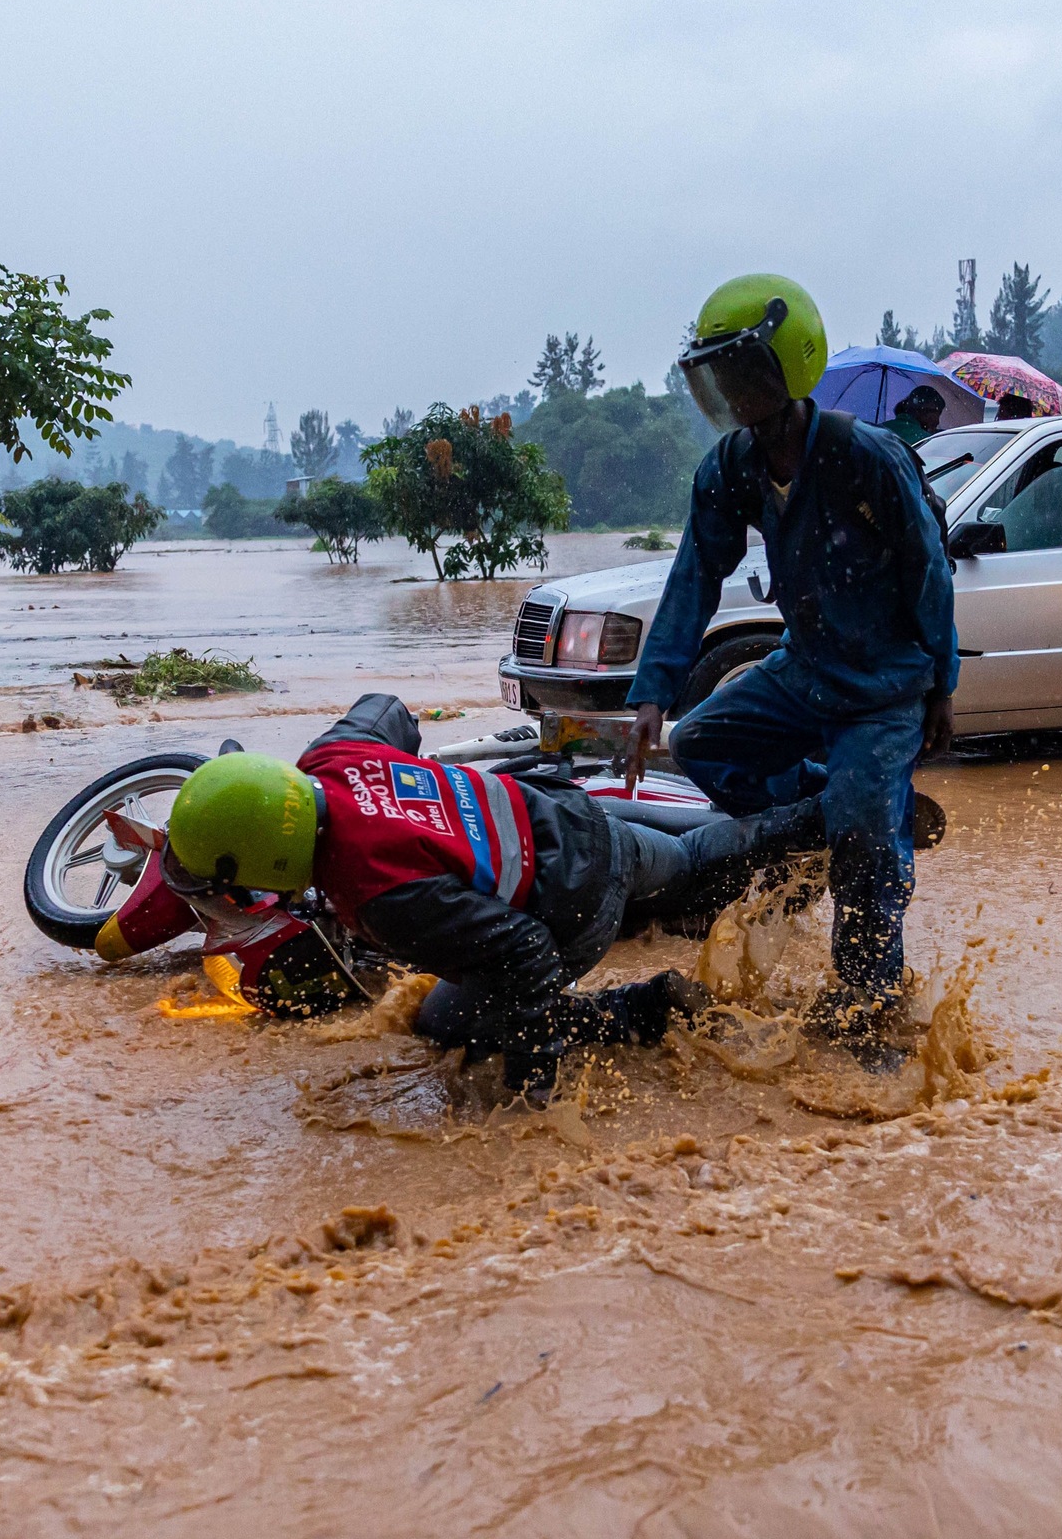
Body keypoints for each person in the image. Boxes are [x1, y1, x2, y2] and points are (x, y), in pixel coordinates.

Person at [162, 695, 822, 1099]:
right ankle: (828, 819)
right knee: (687, 861)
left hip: (575, 911)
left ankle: (644, 1010)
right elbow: (388, 708)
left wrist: (532, 1081)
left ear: (264, 856)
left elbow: (527, 956)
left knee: (442, 1022)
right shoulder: (332, 757)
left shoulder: (378, 894)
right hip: (580, 823)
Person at [631, 272, 954, 1065]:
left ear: (789, 362)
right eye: (720, 376)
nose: (733, 392)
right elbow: (694, 577)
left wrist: (942, 684)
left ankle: (870, 1005)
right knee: (703, 743)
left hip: (882, 693)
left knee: (869, 855)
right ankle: (835, 808)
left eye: (744, 371)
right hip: (803, 670)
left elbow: (929, 572)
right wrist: (652, 693)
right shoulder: (730, 469)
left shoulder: (865, 457)